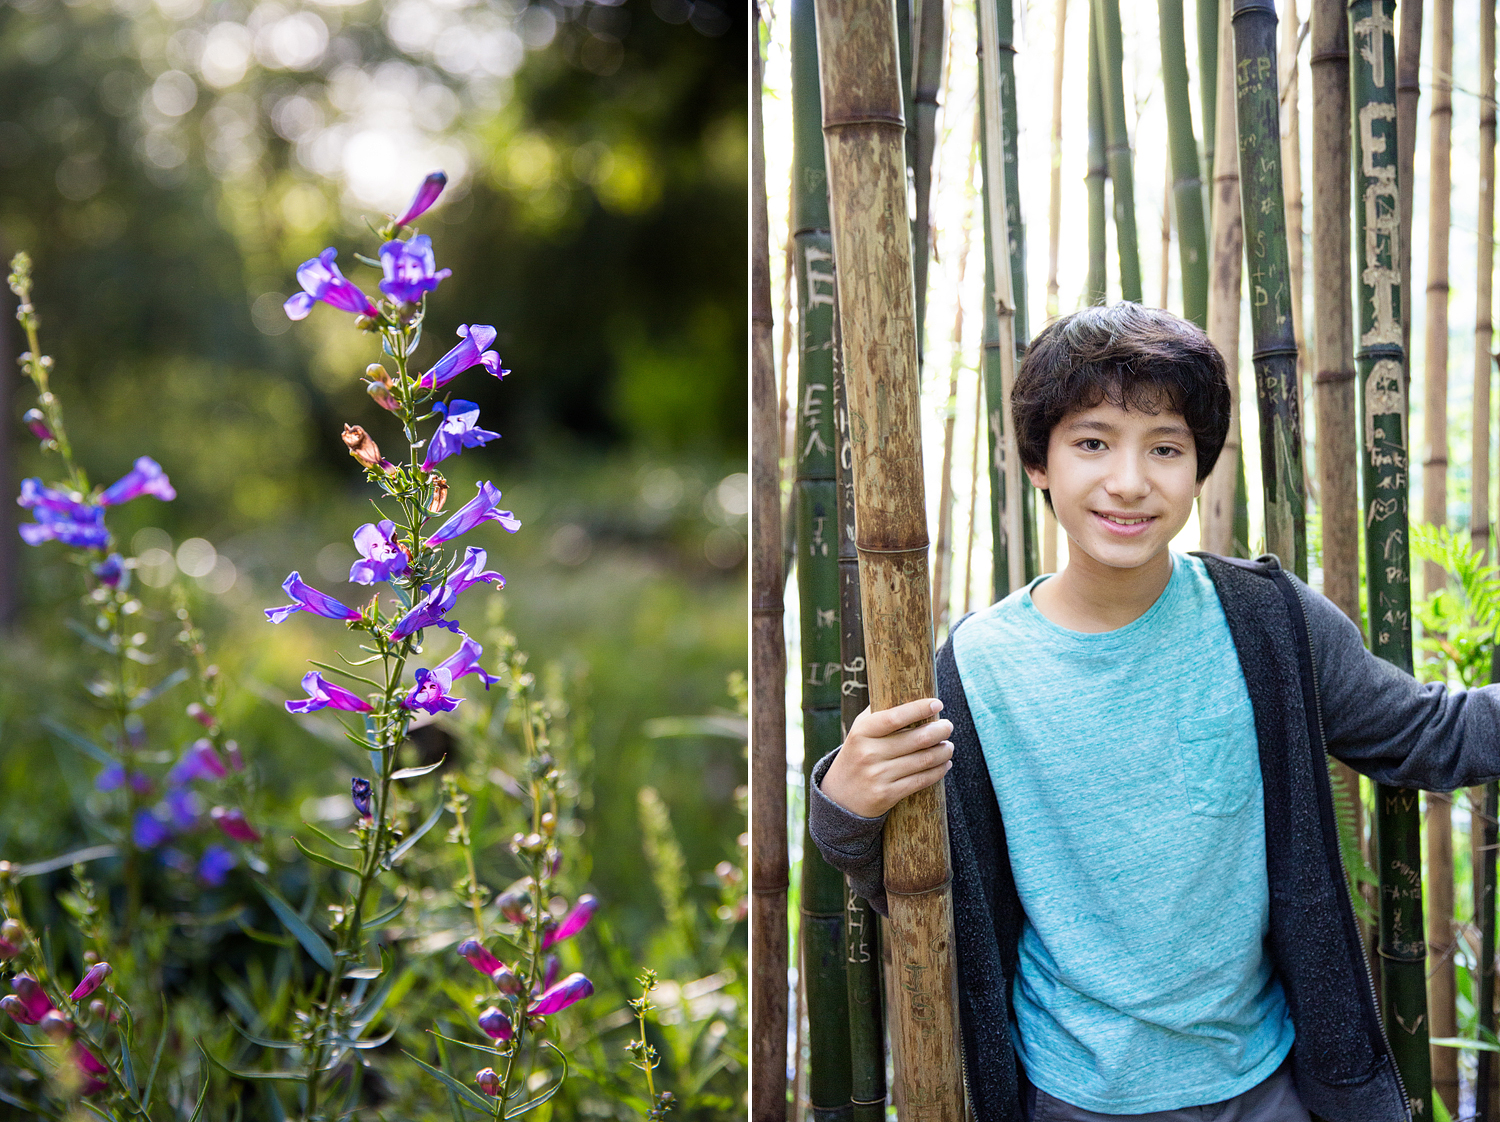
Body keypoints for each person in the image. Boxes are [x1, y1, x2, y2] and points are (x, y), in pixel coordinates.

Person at [809, 302, 1500, 1122]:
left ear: (1199, 466)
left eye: (1165, 448)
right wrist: (843, 808)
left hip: (1265, 1082)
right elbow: (919, 886)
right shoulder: (974, 669)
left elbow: (1426, 732)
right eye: (1092, 442)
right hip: (1073, 1092)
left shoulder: (1266, 623)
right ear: (1039, 460)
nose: (1130, 481)